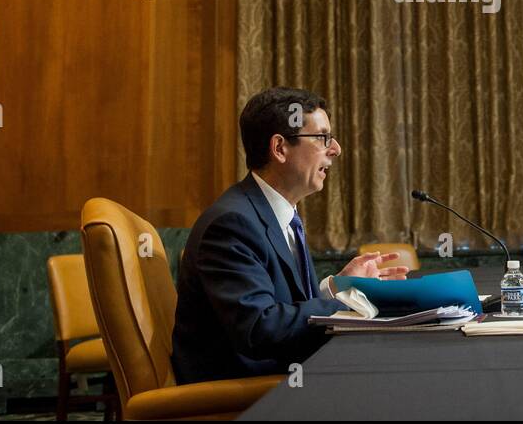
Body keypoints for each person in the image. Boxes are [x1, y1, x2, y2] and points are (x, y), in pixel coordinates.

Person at [172, 87, 410, 382]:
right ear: (280, 148)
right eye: (322, 137)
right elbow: (260, 328)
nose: (335, 148)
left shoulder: (279, 213)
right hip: (244, 391)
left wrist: (335, 289)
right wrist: (350, 300)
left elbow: (281, 306)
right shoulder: (231, 224)